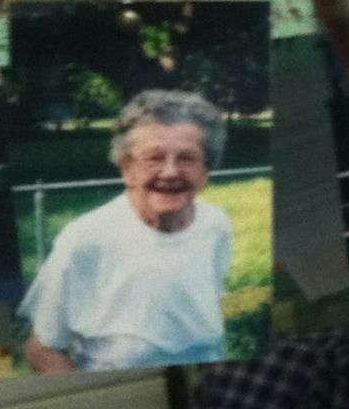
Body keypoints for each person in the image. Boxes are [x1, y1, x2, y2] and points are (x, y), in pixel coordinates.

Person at [20, 91, 234, 372]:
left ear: (206, 171)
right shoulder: (86, 239)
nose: (170, 172)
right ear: (127, 168)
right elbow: (42, 349)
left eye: (187, 158)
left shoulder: (216, 225)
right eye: (154, 158)